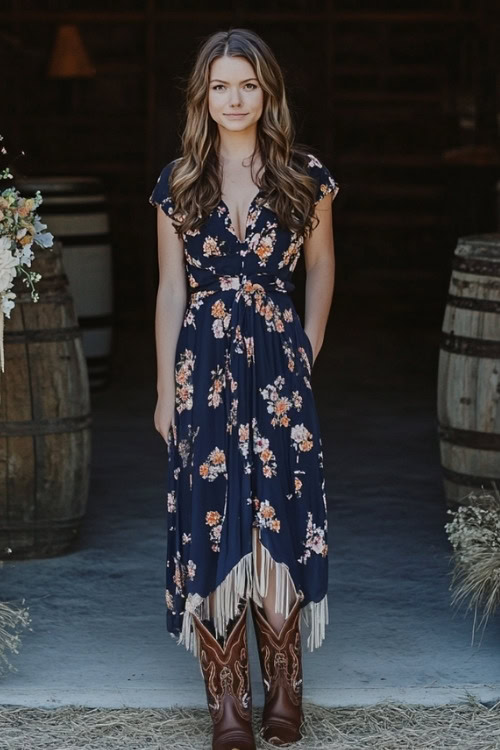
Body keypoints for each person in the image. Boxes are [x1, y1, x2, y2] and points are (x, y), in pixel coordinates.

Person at [150, 27, 339, 750]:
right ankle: (227, 704)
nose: (235, 98)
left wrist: (308, 344)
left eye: (249, 85)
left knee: (281, 518)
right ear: (204, 95)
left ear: (269, 93)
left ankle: (284, 687)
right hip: (202, 367)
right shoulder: (177, 181)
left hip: (279, 369)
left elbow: (320, 266)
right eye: (221, 85)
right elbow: (172, 290)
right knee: (211, 520)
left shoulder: (305, 175)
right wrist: (166, 390)